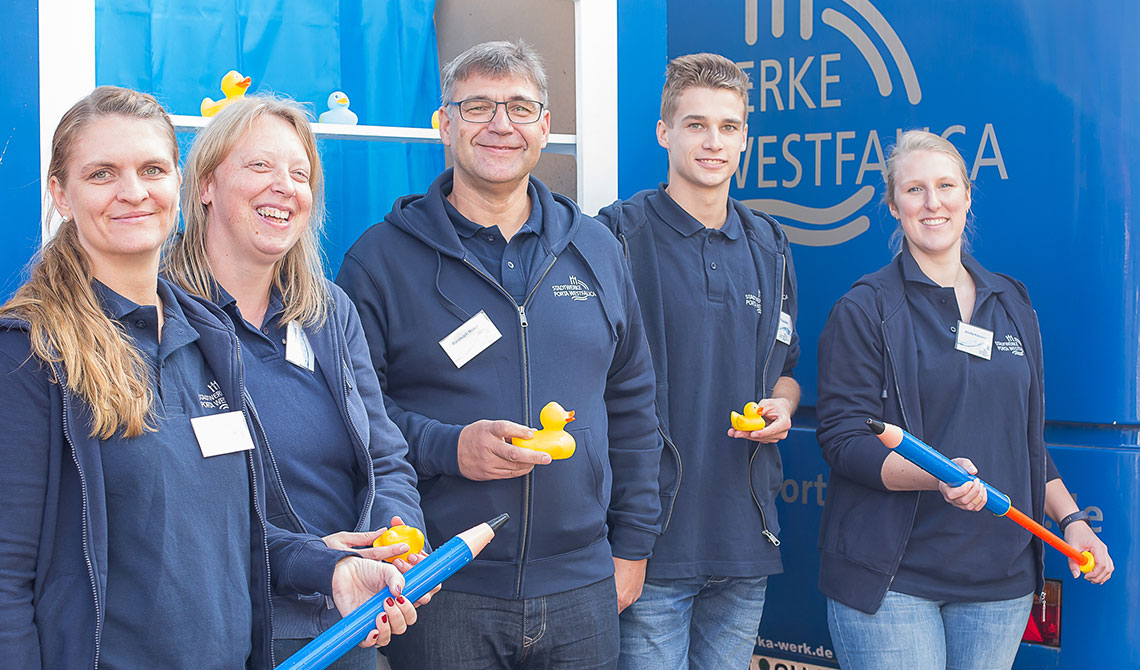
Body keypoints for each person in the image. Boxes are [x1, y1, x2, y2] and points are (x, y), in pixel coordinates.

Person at [0, 86, 416, 669]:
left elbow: (229, 537)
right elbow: (7, 580)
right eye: (101, 174)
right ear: (60, 194)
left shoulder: (203, 336)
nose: (133, 192)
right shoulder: (31, 352)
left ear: (177, 182)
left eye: (152, 169)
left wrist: (334, 572)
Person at [336, 40, 664, 670]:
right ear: (445, 124)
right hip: (439, 587)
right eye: (478, 106)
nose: (500, 125)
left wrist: (633, 546)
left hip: (583, 588)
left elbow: (633, 403)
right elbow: (352, 418)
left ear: (544, 127)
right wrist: (448, 448)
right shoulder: (379, 260)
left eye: (519, 107)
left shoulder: (596, 249)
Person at [815, 129, 1114, 670]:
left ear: (967, 195)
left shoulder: (1012, 302)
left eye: (946, 185)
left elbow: (1022, 439)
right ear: (893, 205)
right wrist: (938, 476)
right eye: (914, 190)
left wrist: (1071, 519)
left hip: (1000, 583)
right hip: (894, 580)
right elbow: (843, 441)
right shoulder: (864, 309)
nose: (933, 203)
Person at [165, 94, 427, 668]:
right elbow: (169, 505)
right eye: (260, 166)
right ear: (205, 185)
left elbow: (384, 457)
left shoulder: (329, 312)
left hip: (349, 620)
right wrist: (311, 560)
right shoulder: (162, 313)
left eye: (300, 173)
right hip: (224, 630)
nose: (284, 185)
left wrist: (397, 540)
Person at [594, 52, 800, 670]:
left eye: (729, 127)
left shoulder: (770, 243)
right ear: (664, 132)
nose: (714, 142)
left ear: (745, 138)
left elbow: (786, 369)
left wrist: (782, 408)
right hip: (648, 542)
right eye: (695, 124)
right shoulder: (616, 235)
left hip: (744, 539)